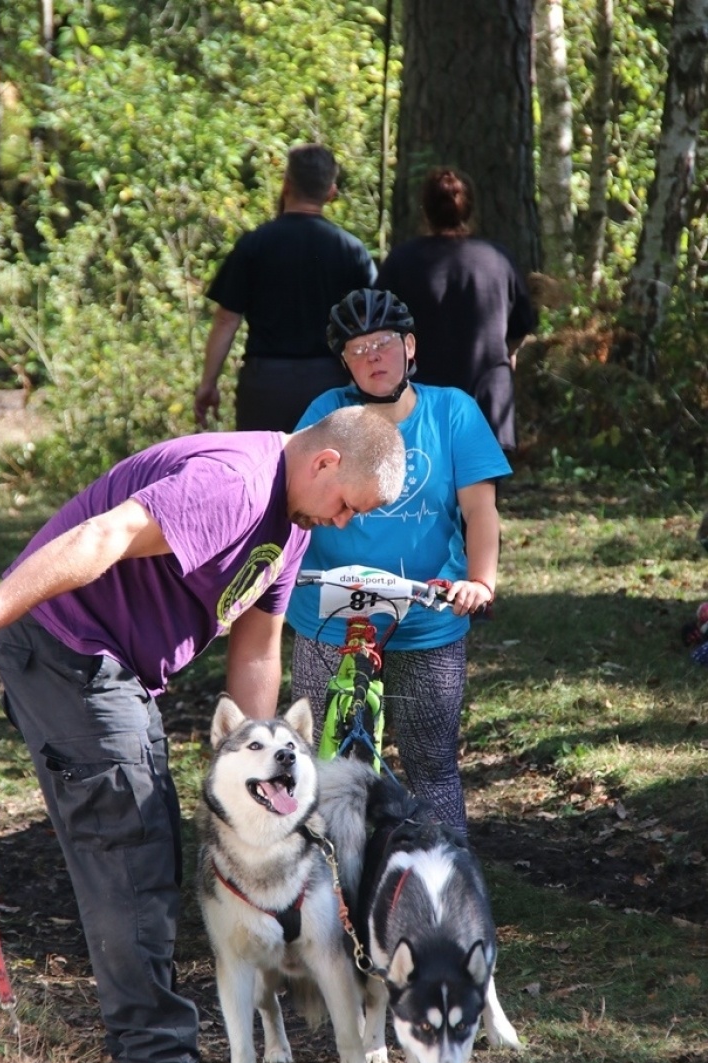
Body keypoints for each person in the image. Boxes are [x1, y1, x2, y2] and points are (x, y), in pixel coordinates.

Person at [0, 406, 406, 1063]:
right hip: (67, 649)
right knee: (133, 843)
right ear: (325, 464)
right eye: (346, 506)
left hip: (112, 664)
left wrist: (258, 771)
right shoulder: (236, 485)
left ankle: (153, 1045)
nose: (343, 522)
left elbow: (257, 648)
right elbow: (102, 534)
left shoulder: (291, 521)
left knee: (149, 839)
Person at [286, 288, 511, 837]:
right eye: (357, 349)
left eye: (383, 343)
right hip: (330, 613)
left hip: (426, 614)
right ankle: (327, 886)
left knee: (431, 764)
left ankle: (448, 885)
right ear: (344, 362)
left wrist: (480, 580)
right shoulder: (327, 414)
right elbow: (292, 495)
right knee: (326, 759)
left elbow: (480, 510)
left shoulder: (452, 410)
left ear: (409, 346)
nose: (373, 357)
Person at [194, 143, 376, 434]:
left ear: (286, 184)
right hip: (329, 384)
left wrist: (208, 384)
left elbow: (227, 319)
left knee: (265, 473)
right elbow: (371, 322)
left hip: (265, 385)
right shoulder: (351, 250)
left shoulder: (253, 245)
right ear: (331, 191)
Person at [375, 166, 537, 455]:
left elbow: (375, 326)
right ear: (470, 209)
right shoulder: (497, 260)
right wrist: (509, 352)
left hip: (419, 405)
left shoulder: (401, 261)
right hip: (485, 401)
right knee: (482, 498)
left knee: (422, 495)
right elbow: (522, 324)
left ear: (425, 210)